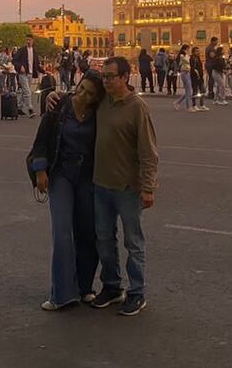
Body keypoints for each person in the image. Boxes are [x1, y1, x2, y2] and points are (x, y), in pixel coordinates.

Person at [85, 57, 159, 316]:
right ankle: (112, 286)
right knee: (104, 239)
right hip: (101, 183)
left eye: (110, 76)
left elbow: (148, 151)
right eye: (103, 77)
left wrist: (148, 187)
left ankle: (137, 291)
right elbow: (78, 98)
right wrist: (54, 97)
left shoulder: (137, 107)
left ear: (125, 77)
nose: (105, 81)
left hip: (128, 187)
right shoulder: (102, 102)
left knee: (133, 242)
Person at [28, 71, 106, 311]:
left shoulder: (101, 113)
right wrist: (40, 170)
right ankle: (61, 293)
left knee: (87, 232)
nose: (82, 95)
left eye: (89, 93)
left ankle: (84, 288)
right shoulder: (59, 105)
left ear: (96, 98)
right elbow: (41, 140)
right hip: (61, 173)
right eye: (81, 88)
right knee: (62, 232)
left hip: (88, 177)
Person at [13, 34, 44, 117]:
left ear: (33, 41)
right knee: (27, 91)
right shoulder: (22, 50)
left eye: (29, 40)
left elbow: (36, 64)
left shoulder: (34, 51)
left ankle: (19, 107)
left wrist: (44, 71)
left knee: (24, 91)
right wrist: (20, 67)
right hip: (23, 74)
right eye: (27, 40)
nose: (28, 41)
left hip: (30, 74)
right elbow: (14, 60)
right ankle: (30, 109)